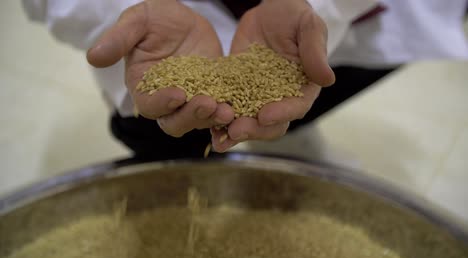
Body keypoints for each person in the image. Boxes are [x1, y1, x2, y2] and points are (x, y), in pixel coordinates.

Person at [22, 0, 468, 160]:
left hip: (345, 16)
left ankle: (292, 139)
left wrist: (317, 4)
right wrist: (128, 8)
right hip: (170, 29)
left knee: (310, 78)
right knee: (166, 124)